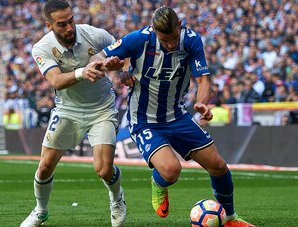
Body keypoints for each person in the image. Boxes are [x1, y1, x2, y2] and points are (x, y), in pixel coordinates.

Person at [93, 6, 255, 227]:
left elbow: (203, 80)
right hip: (144, 119)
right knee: (171, 170)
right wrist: (107, 65)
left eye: (173, 38)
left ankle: (230, 218)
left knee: (218, 166)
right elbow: (98, 59)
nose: (169, 44)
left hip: (177, 115)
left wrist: (202, 102)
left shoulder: (191, 41)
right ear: (154, 30)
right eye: (164, 40)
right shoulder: (139, 39)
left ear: (180, 25)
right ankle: (158, 183)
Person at [20, 1, 126, 226]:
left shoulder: (94, 35)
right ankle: (40, 210)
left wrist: (119, 66)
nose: (69, 28)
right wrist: (81, 72)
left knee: (104, 169)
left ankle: (117, 199)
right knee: (45, 166)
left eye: (71, 21)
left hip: (101, 109)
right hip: (68, 110)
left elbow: (123, 55)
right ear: (49, 25)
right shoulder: (42, 47)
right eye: (61, 24)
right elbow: (56, 80)